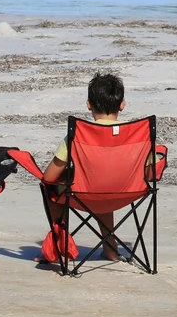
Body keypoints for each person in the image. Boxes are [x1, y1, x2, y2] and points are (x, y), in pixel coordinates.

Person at [38, 72, 127, 262]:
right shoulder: (138, 132)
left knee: (50, 187)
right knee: (104, 184)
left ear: (88, 105)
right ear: (122, 104)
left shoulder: (78, 134)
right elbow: (151, 173)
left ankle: (58, 246)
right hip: (127, 193)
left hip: (85, 195)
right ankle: (111, 248)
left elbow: (49, 177)